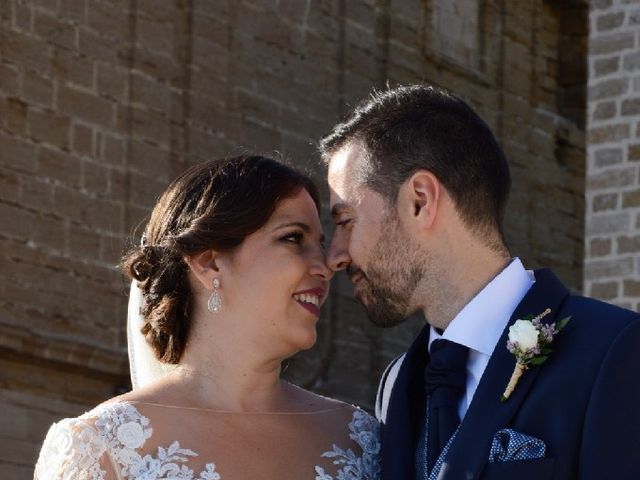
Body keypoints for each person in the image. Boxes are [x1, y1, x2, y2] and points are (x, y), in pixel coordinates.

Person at [319, 84, 640, 479]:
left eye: (345, 221)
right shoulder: (398, 382)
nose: (335, 255)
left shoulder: (616, 352)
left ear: (420, 200)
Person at [34, 155, 381, 480]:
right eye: (293, 238)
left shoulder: (361, 440)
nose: (324, 267)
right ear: (209, 262)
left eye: (320, 244)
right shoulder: (101, 448)